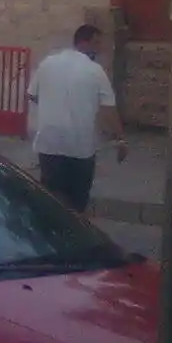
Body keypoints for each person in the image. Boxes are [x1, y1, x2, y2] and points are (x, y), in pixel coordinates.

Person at [27, 25, 127, 212]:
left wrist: (53, 104)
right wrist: (120, 139)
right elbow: (109, 109)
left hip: (49, 144)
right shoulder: (95, 71)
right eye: (97, 43)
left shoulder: (48, 63)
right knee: (77, 201)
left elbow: (32, 94)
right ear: (84, 42)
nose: (99, 48)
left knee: (50, 199)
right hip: (80, 147)